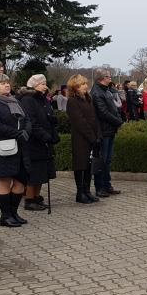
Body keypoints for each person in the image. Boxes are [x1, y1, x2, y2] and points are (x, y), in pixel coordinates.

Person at [0, 73, 32, 227]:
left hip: (20, 146)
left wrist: (27, 132)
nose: (6, 85)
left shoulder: (15, 101)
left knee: (20, 182)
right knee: (5, 182)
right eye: (2, 83)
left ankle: (14, 213)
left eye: (7, 82)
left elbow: (26, 119)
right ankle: (5, 216)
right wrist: (17, 133)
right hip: (2, 148)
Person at [18, 74, 58, 211]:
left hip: (44, 142)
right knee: (34, 173)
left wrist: (52, 123)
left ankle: (37, 197)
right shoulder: (28, 100)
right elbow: (31, 122)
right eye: (42, 84)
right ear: (34, 85)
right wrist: (44, 136)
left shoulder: (43, 99)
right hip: (34, 142)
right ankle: (29, 199)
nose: (45, 86)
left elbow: (46, 115)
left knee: (42, 172)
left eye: (45, 83)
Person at [66, 74, 102, 203]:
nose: (85, 86)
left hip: (92, 137)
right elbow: (79, 122)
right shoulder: (72, 101)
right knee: (81, 165)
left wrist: (98, 135)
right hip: (81, 139)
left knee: (89, 165)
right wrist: (92, 137)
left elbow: (94, 118)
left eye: (85, 84)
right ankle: (80, 193)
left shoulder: (88, 98)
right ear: (74, 87)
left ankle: (87, 191)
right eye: (81, 84)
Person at [91, 68, 124, 198]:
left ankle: (107, 185)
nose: (111, 78)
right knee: (101, 160)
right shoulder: (97, 92)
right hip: (103, 131)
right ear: (102, 78)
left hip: (110, 130)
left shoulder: (107, 91)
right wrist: (118, 122)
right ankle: (100, 187)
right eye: (108, 77)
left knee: (108, 160)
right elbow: (103, 112)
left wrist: (118, 119)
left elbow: (114, 108)